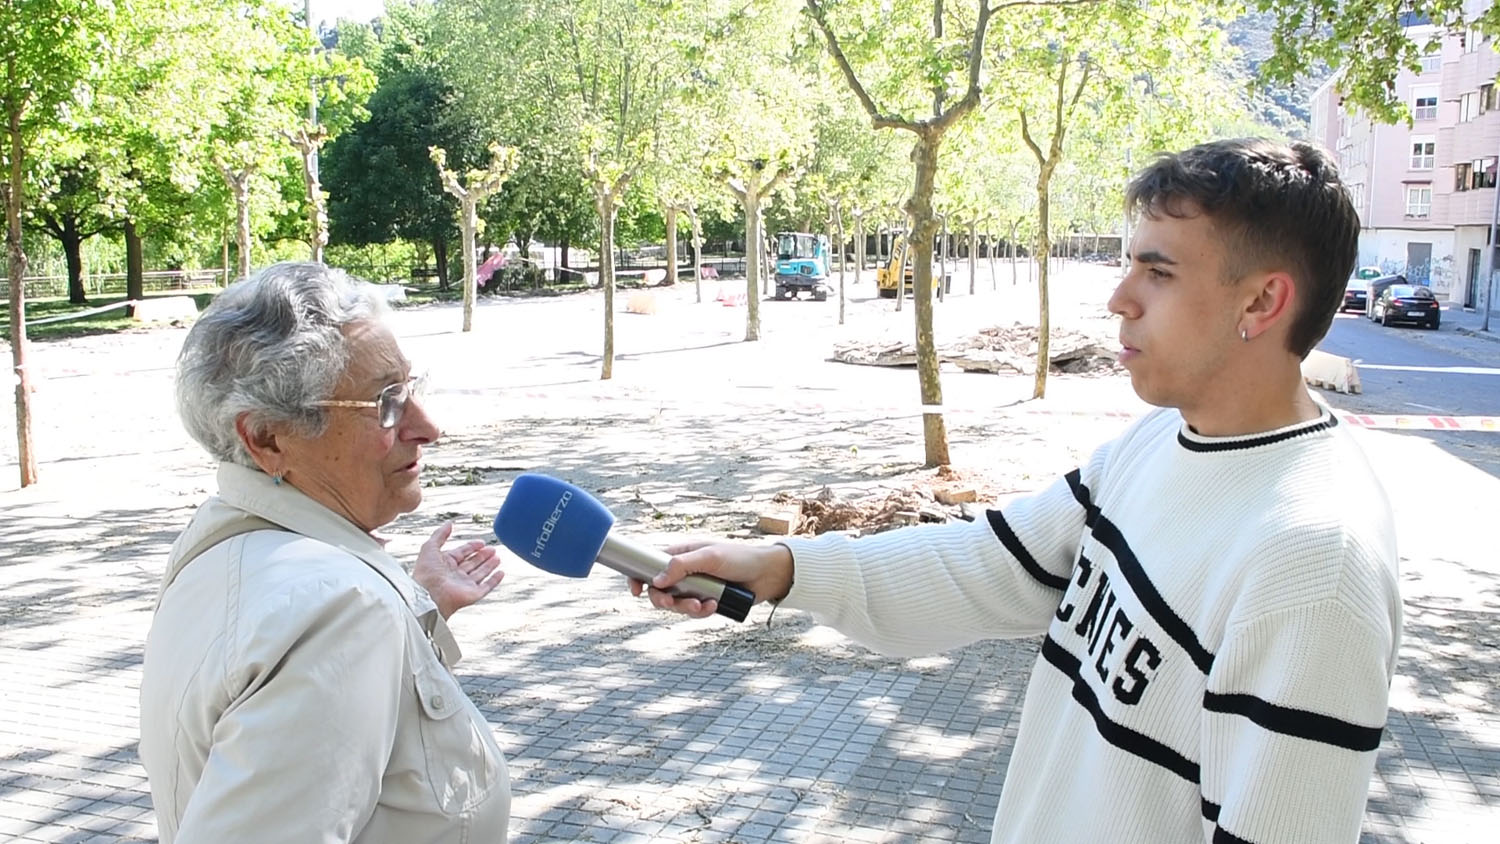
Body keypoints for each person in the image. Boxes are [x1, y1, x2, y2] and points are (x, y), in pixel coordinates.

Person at [635, 139, 1401, 843]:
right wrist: (781, 566)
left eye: (1159, 272)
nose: (1119, 298)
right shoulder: (1156, 441)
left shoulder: (1314, 561)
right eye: (1129, 263)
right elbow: (992, 565)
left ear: (1262, 303)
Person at [140, 262, 511, 843]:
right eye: (386, 402)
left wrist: (418, 608)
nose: (428, 426)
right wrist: (370, 615)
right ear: (266, 438)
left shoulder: (220, 539)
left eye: (410, 389)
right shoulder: (340, 612)